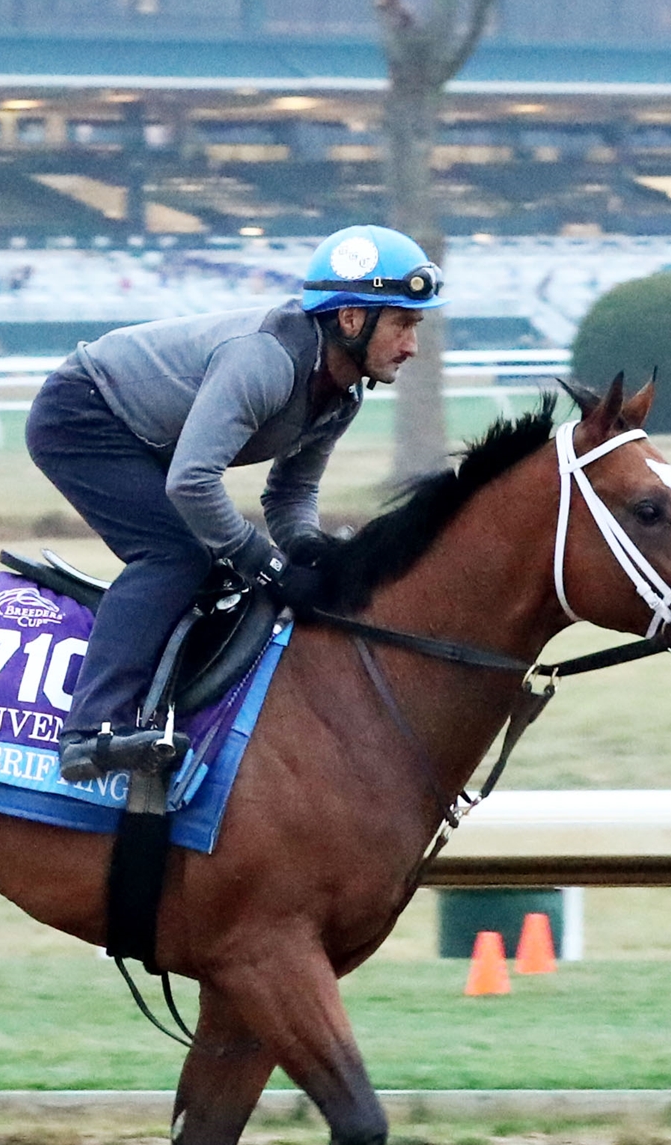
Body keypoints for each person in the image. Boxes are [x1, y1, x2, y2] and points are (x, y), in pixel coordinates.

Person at [25, 225, 446, 787]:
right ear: (351, 320)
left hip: (149, 440)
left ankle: (168, 713)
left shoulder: (341, 396)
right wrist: (268, 564)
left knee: (221, 566)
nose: (412, 345)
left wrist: (308, 553)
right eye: (402, 323)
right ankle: (89, 732)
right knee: (174, 556)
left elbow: (290, 494)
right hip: (81, 416)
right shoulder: (267, 361)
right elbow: (192, 483)